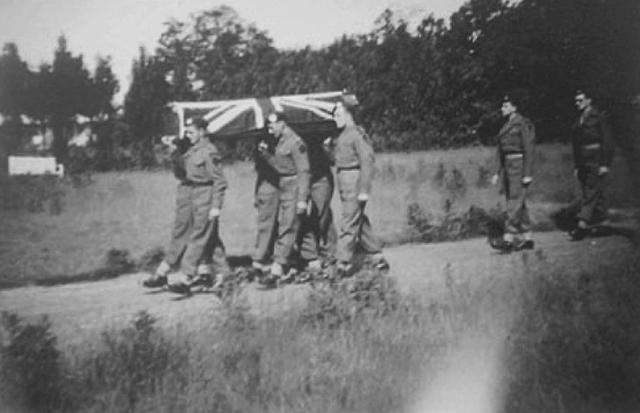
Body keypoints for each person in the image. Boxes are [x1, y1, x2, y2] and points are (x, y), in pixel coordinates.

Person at [142, 117, 229, 294]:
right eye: (187, 132)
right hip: (190, 193)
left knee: (200, 235)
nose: (187, 135)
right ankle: (222, 274)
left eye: (191, 132)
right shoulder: (190, 149)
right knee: (199, 235)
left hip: (205, 194)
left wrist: (216, 206)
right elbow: (181, 174)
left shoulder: (208, 151)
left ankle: (187, 275)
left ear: (202, 131)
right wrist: (175, 153)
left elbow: (220, 181)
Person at [327, 98, 389, 277]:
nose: (335, 118)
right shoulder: (342, 135)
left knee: (349, 221)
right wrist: (327, 149)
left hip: (354, 182)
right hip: (344, 181)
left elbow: (367, 163)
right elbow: (338, 159)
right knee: (358, 221)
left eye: (338, 114)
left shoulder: (356, 135)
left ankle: (343, 263)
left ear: (348, 114)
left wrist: (363, 190)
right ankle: (377, 257)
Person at [257, 112, 314, 283]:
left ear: (283, 123)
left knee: (288, 225)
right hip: (284, 185)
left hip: (295, 186)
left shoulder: (296, 143)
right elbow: (281, 166)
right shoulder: (280, 142)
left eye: (273, 125)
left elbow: (304, 171)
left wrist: (303, 199)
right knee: (296, 225)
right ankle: (313, 260)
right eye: (268, 126)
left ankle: (278, 267)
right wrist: (267, 155)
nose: (270, 129)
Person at [490, 94, 536, 252]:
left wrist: (527, 173)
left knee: (514, 201)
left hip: (519, 165)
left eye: (506, 106)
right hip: (509, 166)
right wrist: (496, 172)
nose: (502, 109)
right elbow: (500, 151)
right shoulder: (506, 126)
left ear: (514, 108)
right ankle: (528, 237)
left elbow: (529, 149)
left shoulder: (522, 123)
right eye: (503, 106)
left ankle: (508, 238)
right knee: (518, 202)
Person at [568, 90, 615, 241]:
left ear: (589, 100)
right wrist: (577, 165)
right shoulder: (578, 120)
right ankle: (605, 223)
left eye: (580, 100)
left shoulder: (599, 117)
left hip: (596, 158)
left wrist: (605, 163)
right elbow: (576, 145)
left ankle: (582, 225)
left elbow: (607, 141)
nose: (577, 103)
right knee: (596, 192)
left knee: (590, 191)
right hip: (583, 161)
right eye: (576, 101)